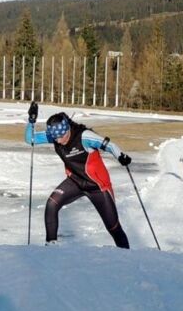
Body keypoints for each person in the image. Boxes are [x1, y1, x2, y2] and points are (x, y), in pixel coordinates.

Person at [25, 101, 131, 248]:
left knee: (113, 227)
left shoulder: (84, 136)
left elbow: (109, 145)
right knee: (51, 204)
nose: (58, 140)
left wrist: (121, 156)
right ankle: (50, 248)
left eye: (60, 136)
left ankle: (127, 256)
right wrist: (31, 120)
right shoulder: (55, 136)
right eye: (55, 137)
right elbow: (30, 139)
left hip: (98, 187)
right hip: (75, 181)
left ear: (67, 129)